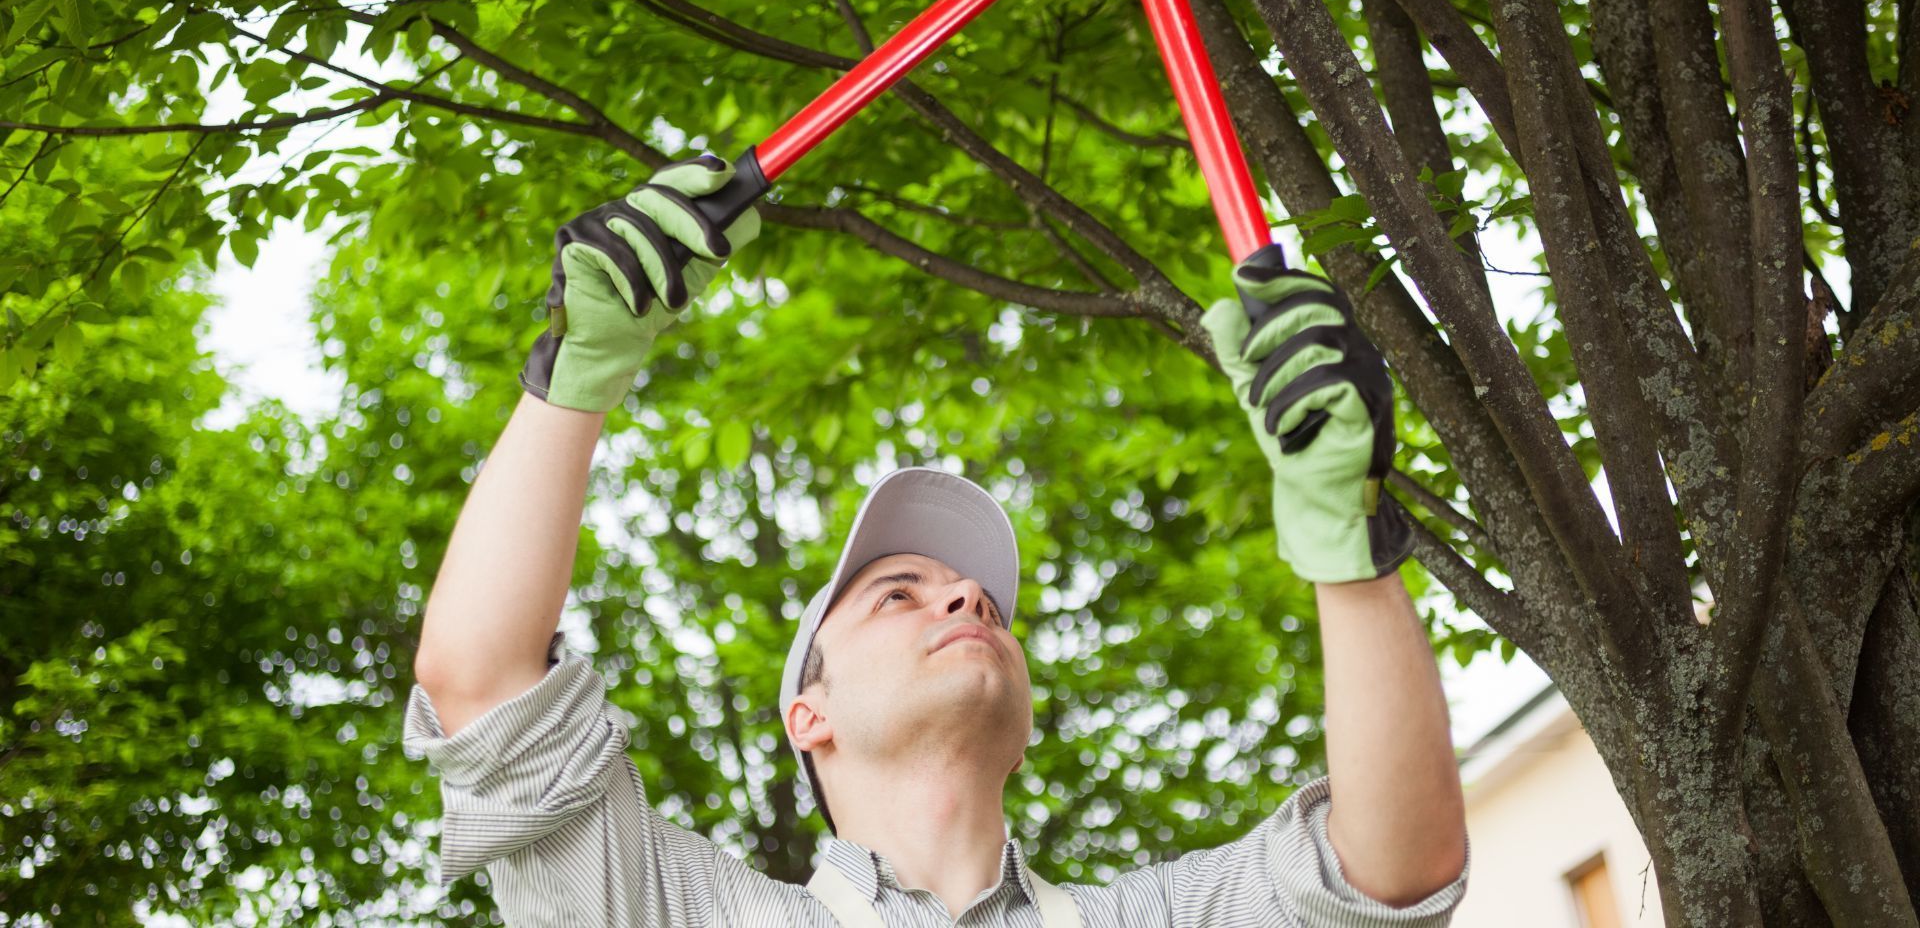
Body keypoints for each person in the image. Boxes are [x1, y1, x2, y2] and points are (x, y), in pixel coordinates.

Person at [405, 156, 1470, 926]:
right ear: (805, 714)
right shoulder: (688, 915)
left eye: (984, 604)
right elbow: (483, 684)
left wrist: (1347, 541)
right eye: (899, 594)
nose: (965, 600)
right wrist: (574, 380)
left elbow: (1394, 871)